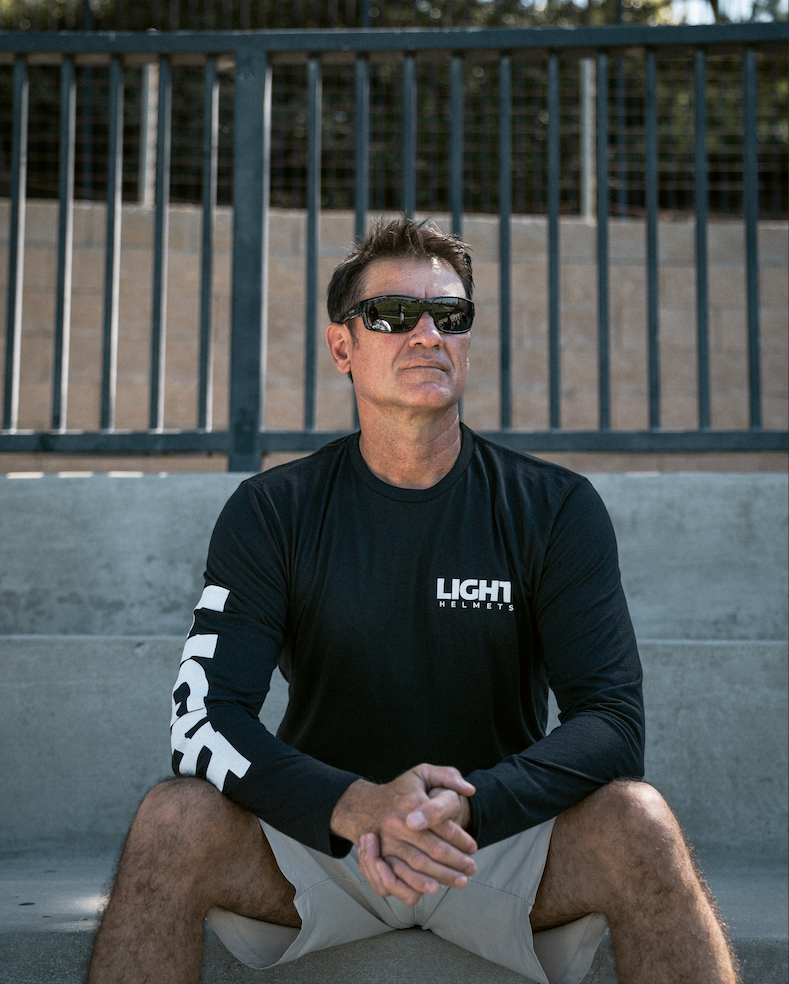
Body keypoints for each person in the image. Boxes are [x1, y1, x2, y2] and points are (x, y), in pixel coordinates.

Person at [87, 218, 739, 984]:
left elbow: (611, 722)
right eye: (394, 315)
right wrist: (355, 804)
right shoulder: (273, 510)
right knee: (172, 818)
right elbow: (204, 719)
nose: (427, 333)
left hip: (490, 842)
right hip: (325, 844)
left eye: (450, 316)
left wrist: (472, 806)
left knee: (641, 822)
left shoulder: (553, 507)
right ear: (343, 347)